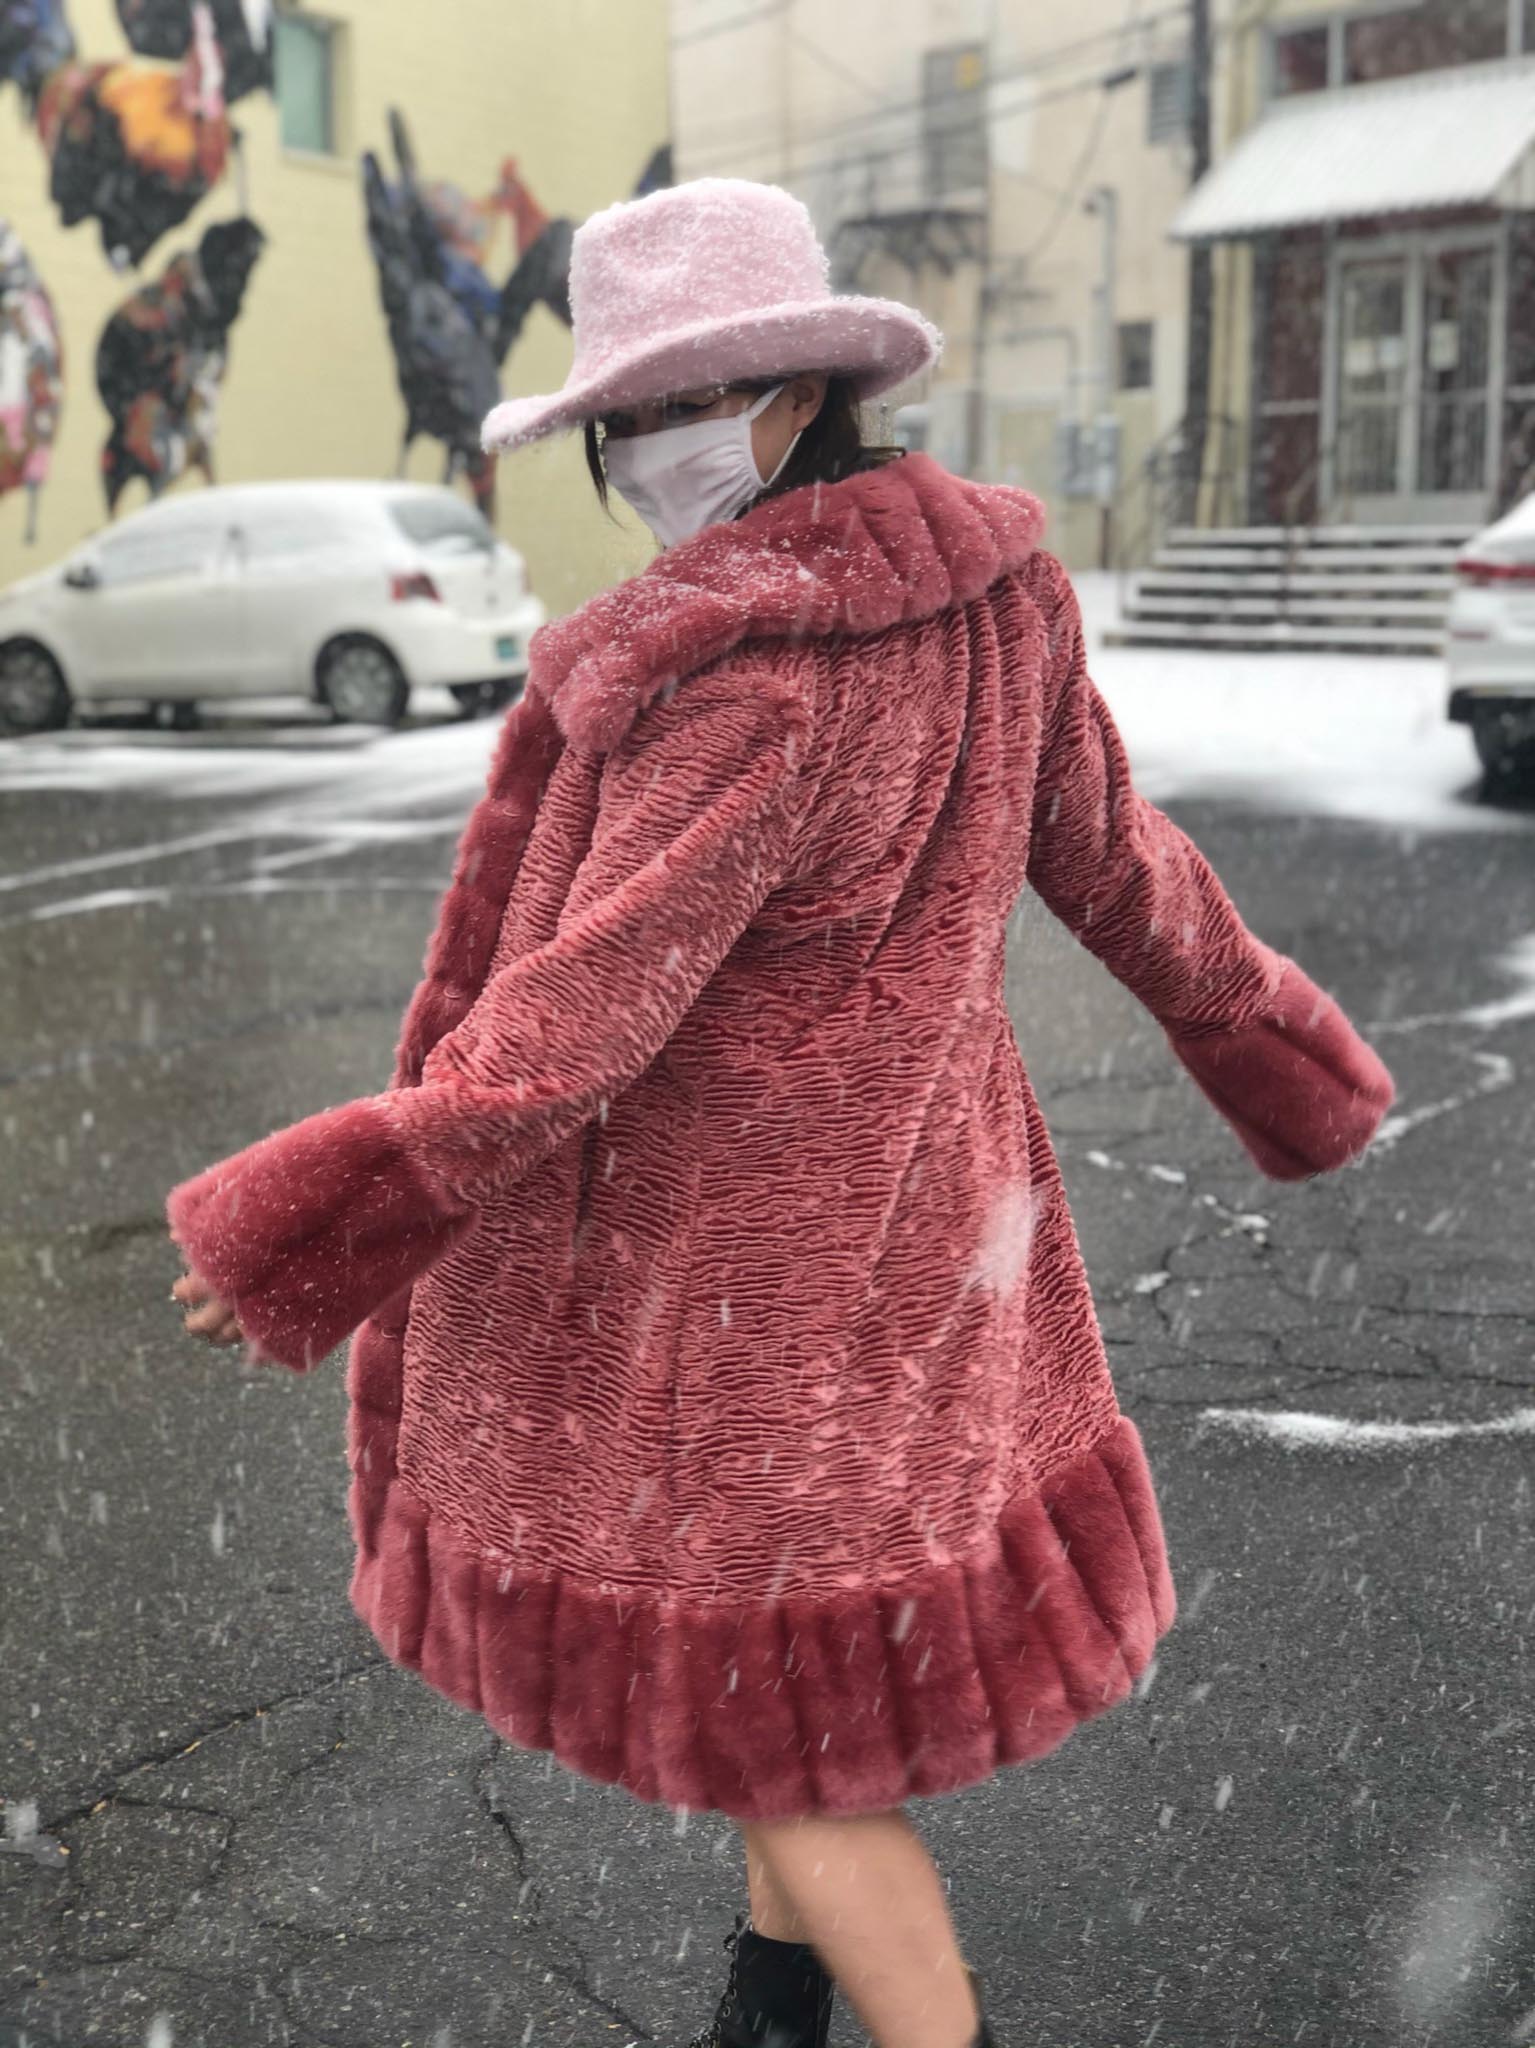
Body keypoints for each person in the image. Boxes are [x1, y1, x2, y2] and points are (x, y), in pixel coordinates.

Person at [167, 178, 1395, 2048]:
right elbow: (1126, 874)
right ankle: (769, 2015)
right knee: (792, 1687)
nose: (651, 452)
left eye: (684, 402)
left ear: (798, 389)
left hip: (741, 1293)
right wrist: (1274, 1052)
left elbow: (571, 1031)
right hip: (928, 1234)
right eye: (621, 421)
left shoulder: (745, 686)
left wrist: (315, 1222)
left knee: (793, 1735)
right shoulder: (999, 605)